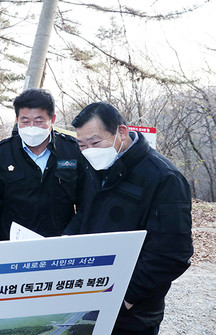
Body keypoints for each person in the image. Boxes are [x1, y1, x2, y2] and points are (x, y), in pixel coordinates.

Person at [64, 102, 193, 334]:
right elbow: (86, 214)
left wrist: (128, 296)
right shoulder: (95, 166)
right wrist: (64, 243)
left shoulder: (164, 178)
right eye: (82, 144)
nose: (88, 150)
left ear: (121, 133)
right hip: (90, 294)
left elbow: (173, 253)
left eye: (95, 142)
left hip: (132, 313)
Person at [0, 88, 83, 241]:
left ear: (52, 120)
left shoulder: (71, 151)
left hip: (60, 243)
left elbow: (85, 203)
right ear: (17, 119)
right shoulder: (1, 154)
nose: (31, 127)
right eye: (25, 121)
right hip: (13, 245)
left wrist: (71, 235)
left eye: (39, 121)